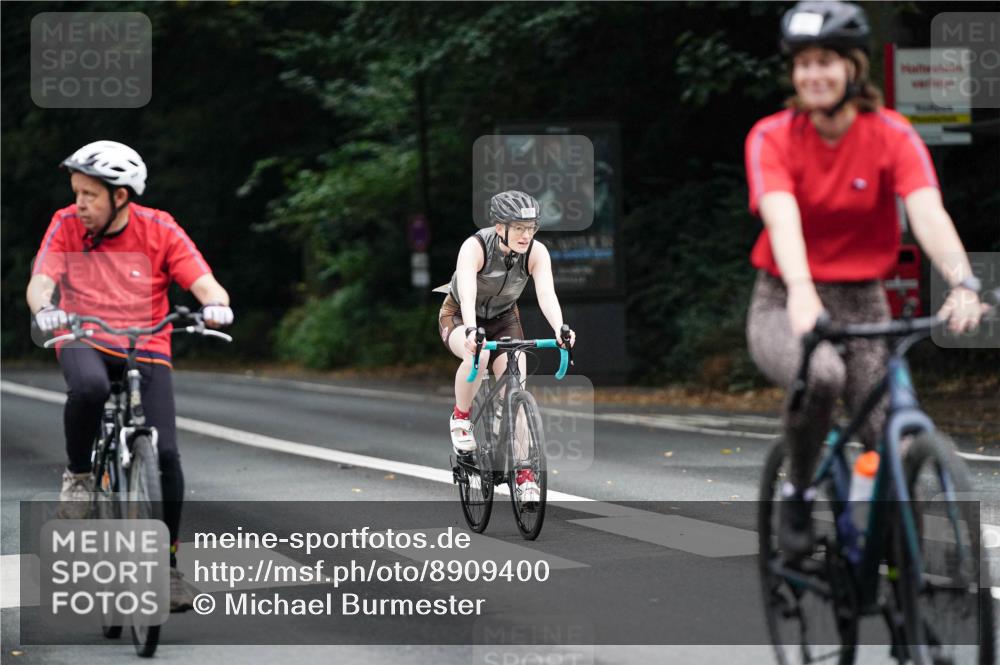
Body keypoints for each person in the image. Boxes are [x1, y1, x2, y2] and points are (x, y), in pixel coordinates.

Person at [744, 1, 983, 556]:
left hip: (863, 301)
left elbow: (926, 212)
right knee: (822, 376)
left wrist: (962, 281)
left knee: (887, 437)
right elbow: (783, 220)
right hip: (784, 300)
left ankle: (903, 580)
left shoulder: (891, 135)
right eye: (803, 64)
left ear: (854, 67)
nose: (813, 75)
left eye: (826, 61)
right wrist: (803, 293)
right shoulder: (772, 137)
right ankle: (800, 491)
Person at [26, 140, 234, 611]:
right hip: (83, 334)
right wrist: (46, 310)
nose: (79, 203)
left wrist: (215, 305)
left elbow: (202, 279)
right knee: (91, 389)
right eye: (76, 192)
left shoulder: (159, 228)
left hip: (146, 341)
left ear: (121, 196)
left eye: (90, 195)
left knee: (167, 454)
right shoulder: (65, 225)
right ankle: (80, 475)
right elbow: (41, 282)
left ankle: (167, 565)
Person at [436, 190, 576, 503]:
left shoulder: (537, 252)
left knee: (517, 395)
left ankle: (525, 475)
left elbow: (546, 294)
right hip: (459, 315)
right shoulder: (475, 247)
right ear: (501, 227)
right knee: (480, 352)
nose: (527, 235)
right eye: (520, 228)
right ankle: (461, 416)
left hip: (504, 318)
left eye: (532, 228)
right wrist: (472, 331)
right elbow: (468, 294)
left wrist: (560, 329)